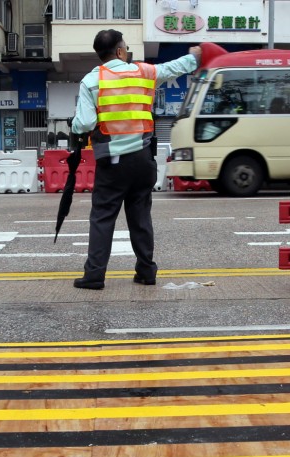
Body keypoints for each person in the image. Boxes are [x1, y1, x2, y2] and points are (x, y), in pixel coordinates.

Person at [69, 29, 202, 290]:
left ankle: (94, 275)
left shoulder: (91, 81)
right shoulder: (144, 72)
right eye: (126, 48)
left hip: (112, 162)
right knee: (140, 217)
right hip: (143, 160)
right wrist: (195, 57)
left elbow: (84, 123)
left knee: (103, 217)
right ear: (119, 51)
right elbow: (173, 68)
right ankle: (146, 271)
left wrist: (75, 127)